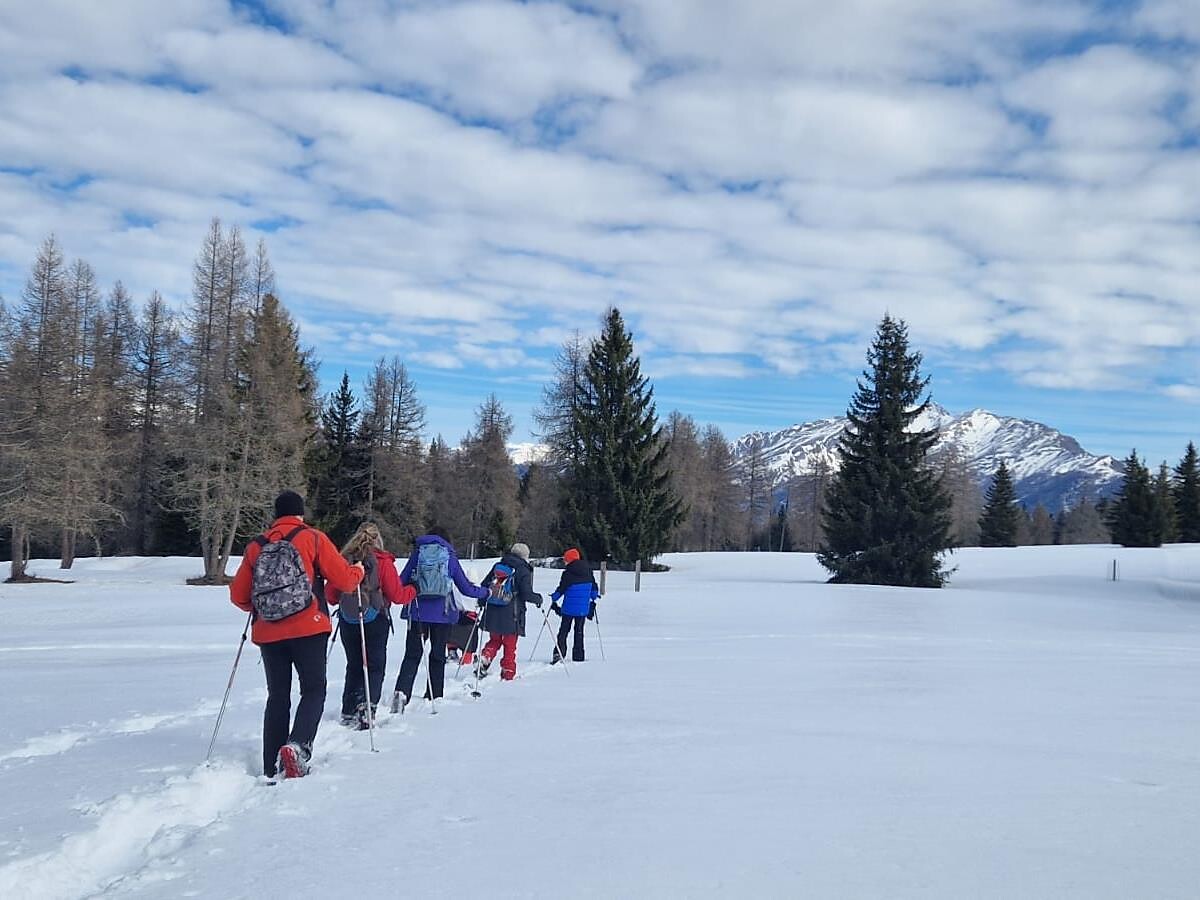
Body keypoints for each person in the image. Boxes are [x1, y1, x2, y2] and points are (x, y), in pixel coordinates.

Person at [230, 490, 364, 780]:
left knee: (277, 696)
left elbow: (238, 595)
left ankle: (270, 764)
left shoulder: (256, 546)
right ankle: (298, 747)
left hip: (268, 632)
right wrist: (358, 572)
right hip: (309, 626)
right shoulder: (312, 537)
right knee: (313, 689)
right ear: (300, 513)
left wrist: (264, 607)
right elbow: (344, 580)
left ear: (275, 515)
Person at [324, 523, 414, 730]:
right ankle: (367, 708)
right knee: (374, 666)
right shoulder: (383, 561)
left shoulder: (344, 559)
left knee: (354, 664)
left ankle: (348, 710)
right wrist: (413, 591)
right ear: (378, 540)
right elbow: (397, 595)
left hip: (348, 619)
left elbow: (331, 594)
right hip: (375, 618)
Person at [393, 527, 488, 711]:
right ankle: (434, 694)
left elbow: (401, 581)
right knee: (437, 656)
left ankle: (402, 692)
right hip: (442, 614)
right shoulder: (448, 555)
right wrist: (486, 592)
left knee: (412, 655)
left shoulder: (417, 554)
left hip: (417, 612)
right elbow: (466, 588)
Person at [475, 542, 543, 681]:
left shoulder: (499, 565)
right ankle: (508, 672)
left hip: (493, 610)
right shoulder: (522, 569)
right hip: (512, 613)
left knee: (494, 640)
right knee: (510, 644)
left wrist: (482, 602)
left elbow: (485, 585)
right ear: (525, 556)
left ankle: (485, 657)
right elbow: (525, 593)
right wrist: (538, 599)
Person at [549, 547, 599, 663]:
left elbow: (561, 589)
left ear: (570, 560)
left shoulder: (567, 573)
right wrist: (593, 596)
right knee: (579, 631)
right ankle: (578, 656)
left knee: (563, 631)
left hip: (568, 609)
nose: (565, 562)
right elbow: (594, 589)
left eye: (566, 560)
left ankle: (559, 653)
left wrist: (553, 597)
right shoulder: (588, 571)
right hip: (582, 609)